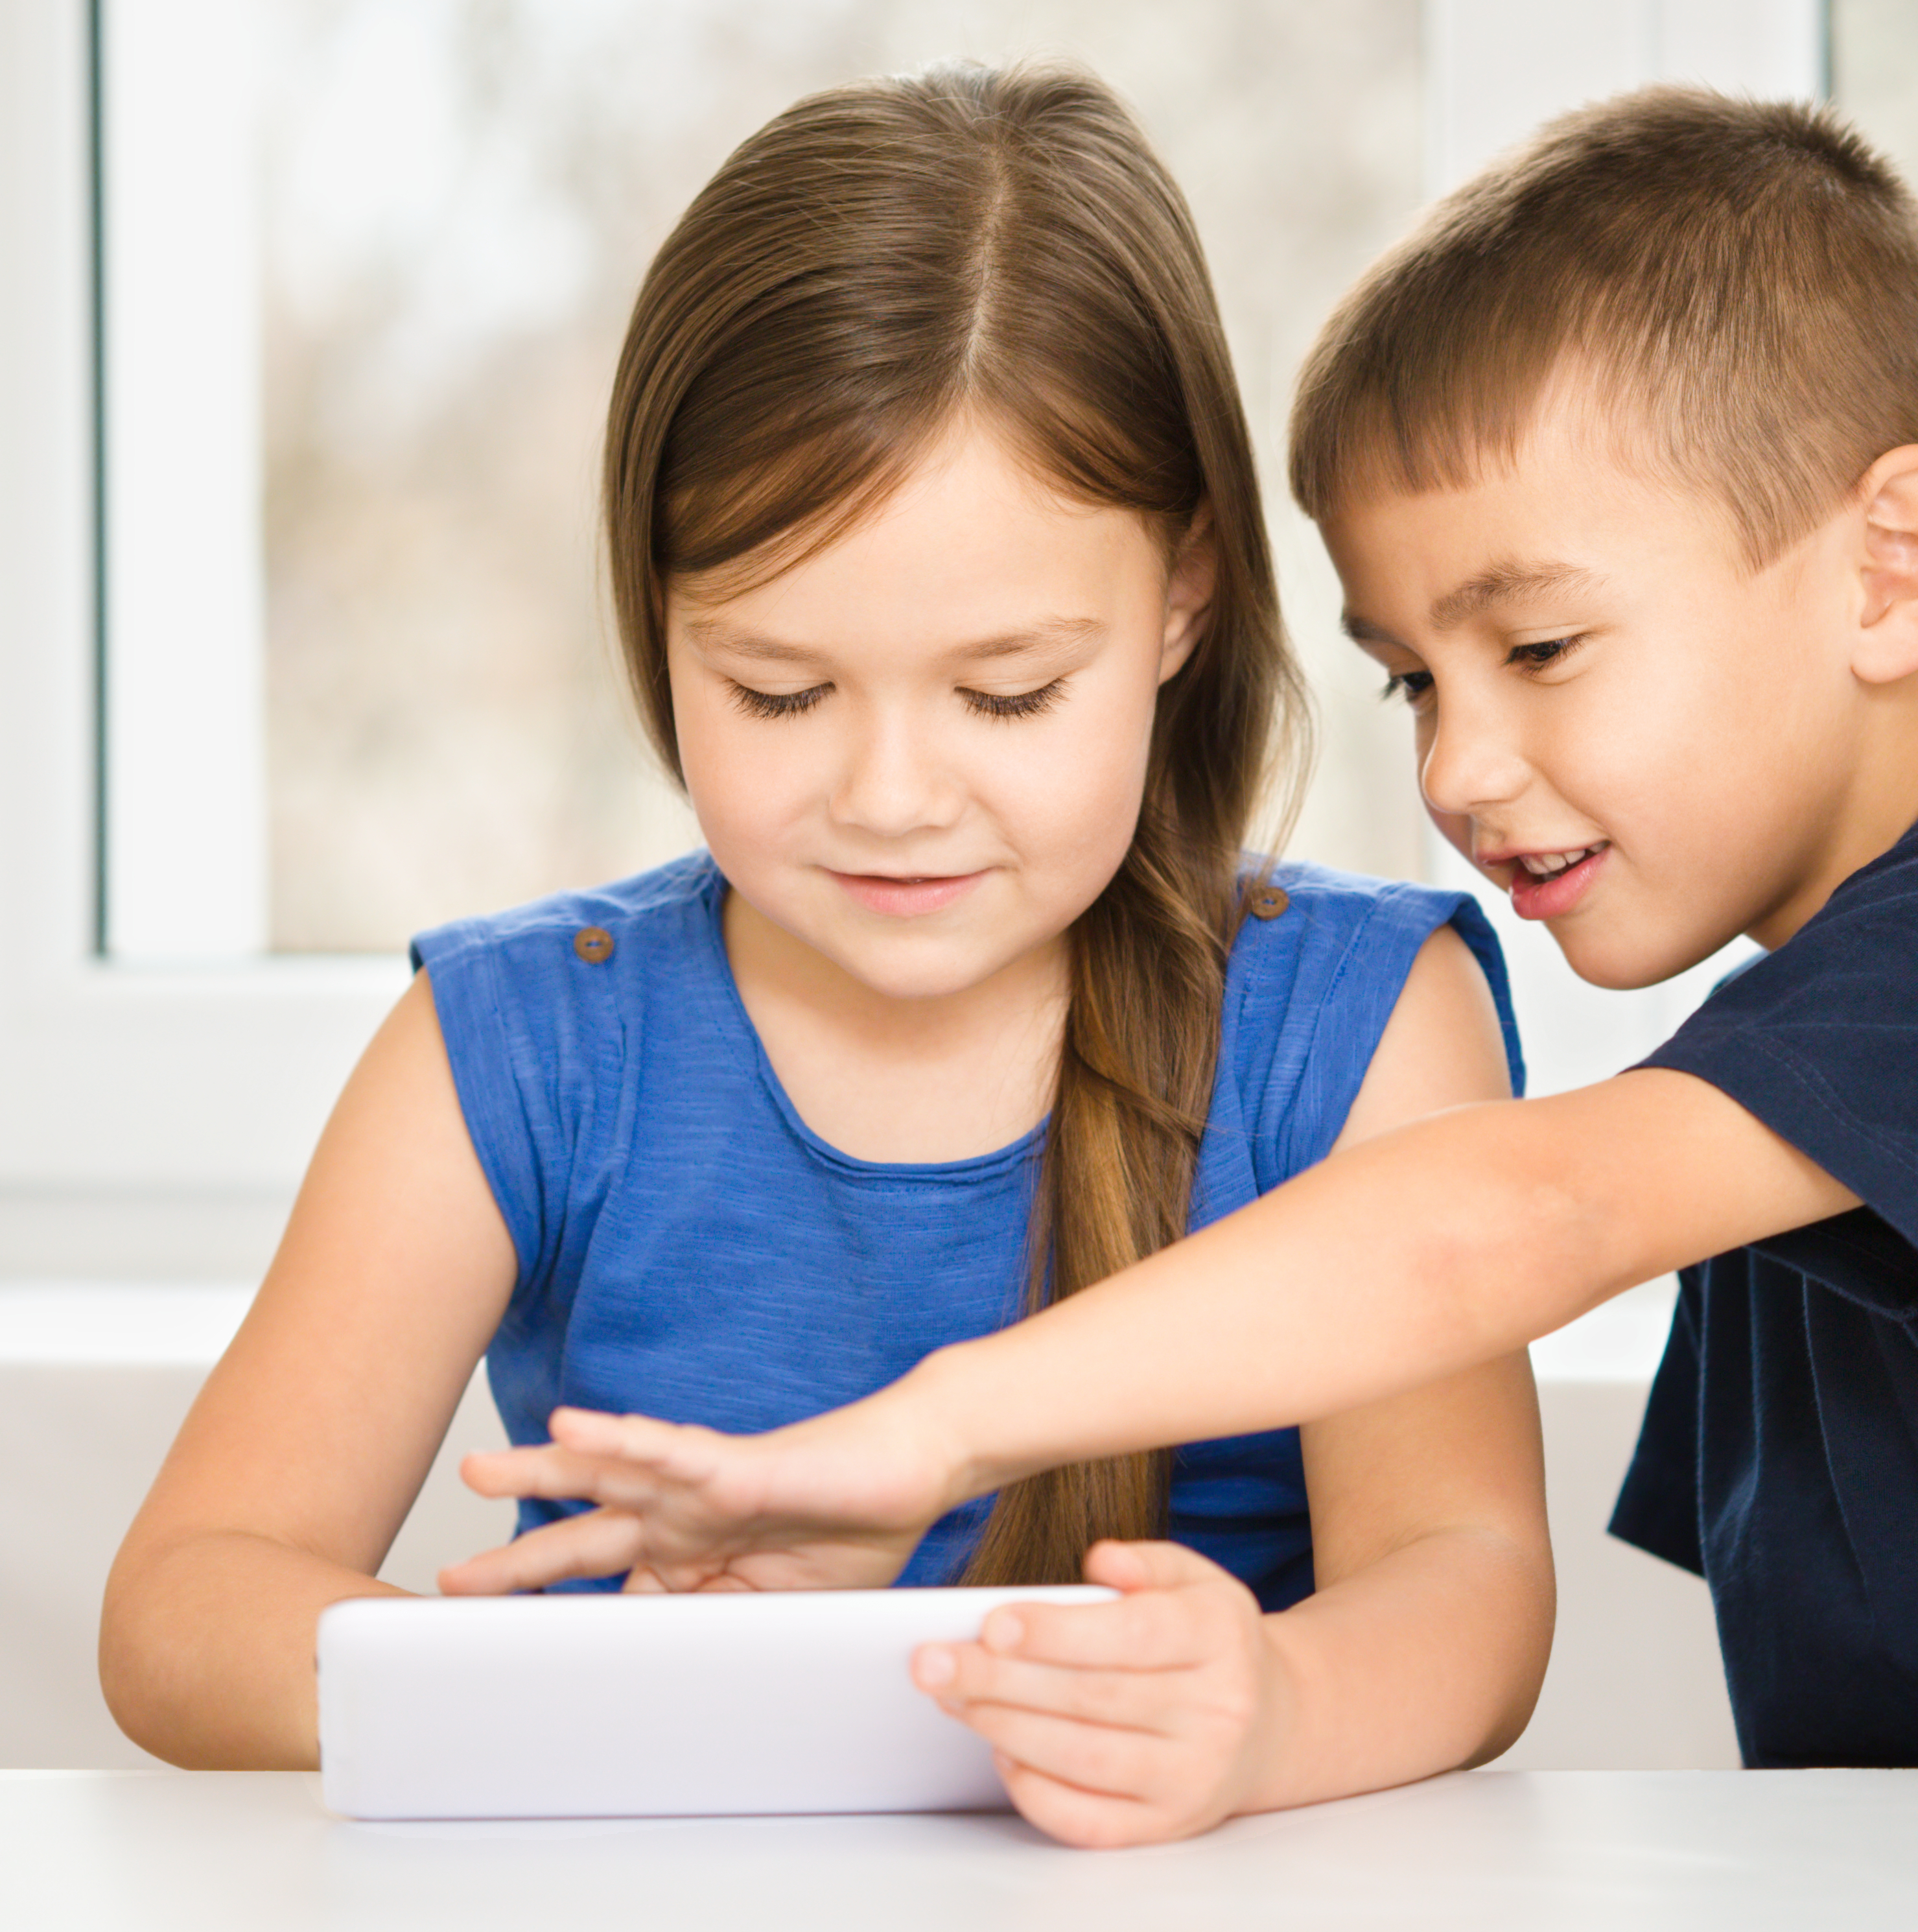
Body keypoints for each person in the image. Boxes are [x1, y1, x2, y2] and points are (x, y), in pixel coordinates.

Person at [445, 87, 1918, 1773]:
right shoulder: (1825, 1063)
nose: (1459, 769)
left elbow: (1511, 1217)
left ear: (1892, 569)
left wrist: (929, 1428)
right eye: (1408, 683)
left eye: (1537, 648)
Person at [99, 64, 1559, 1844]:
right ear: (656, 614)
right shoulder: (516, 1046)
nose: (889, 797)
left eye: (1007, 691)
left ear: (1181, 594)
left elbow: (1468, 1581)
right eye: (778, 691)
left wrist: (1278, 1713)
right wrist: (591, 1713)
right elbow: (182, 1608)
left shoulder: (1356, 1027)